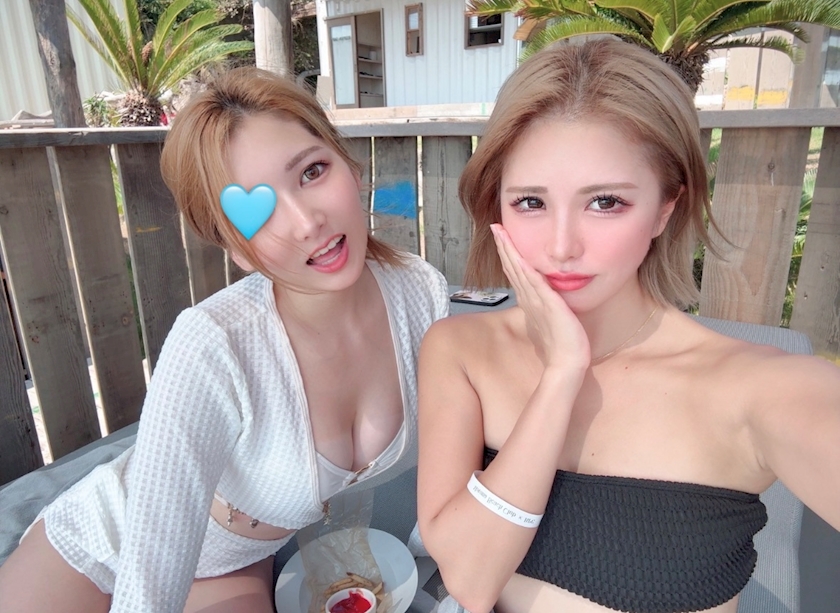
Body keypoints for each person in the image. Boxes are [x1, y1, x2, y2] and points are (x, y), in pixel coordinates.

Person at [0, 67, 449, 613]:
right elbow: (150, 572)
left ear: (349, 165)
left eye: (312, 171)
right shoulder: (214, 344)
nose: (306, 222)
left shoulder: (420, 295)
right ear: (235, 248)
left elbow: (456, 447)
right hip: (104, 547)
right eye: (259, 210)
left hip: (234, 563)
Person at [416, 38, 840, 613]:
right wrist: (562, 373)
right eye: (531, 203)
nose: (562, 246)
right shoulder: (460, 348)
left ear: (665, 209)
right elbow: (469, 580)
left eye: (606, 202)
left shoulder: (762, 388)